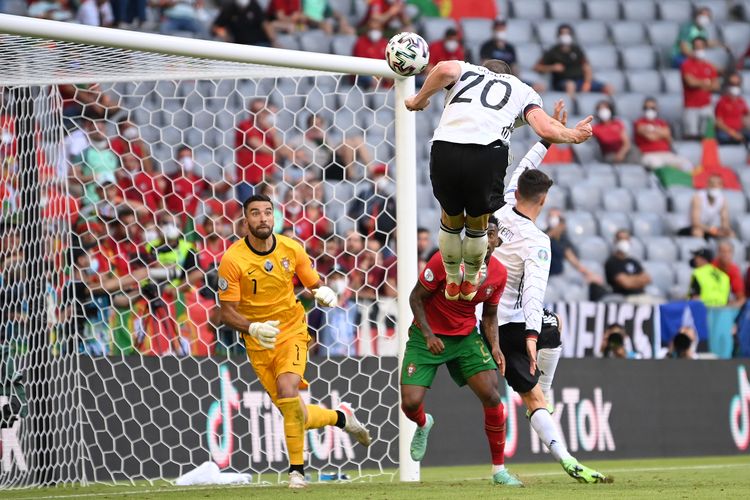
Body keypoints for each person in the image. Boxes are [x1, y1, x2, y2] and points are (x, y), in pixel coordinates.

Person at [404, 59, 593, 302]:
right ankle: (470, 278)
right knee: (477, 223)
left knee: (449, 217)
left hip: (446, 147)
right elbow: (545, 129)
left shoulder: (467, 70)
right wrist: (573, 135)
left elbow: (444, 70)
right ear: (509, 75)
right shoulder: (521, 89)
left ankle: (452, 278)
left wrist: (418, 99)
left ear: (483, 68)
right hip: (486, 153)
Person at [217, 195, 371, 489]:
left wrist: (323, 294)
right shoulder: (232, 260)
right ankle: (341, 417)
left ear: (273, 216)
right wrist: (253, 327)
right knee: (294, 411)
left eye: (267, 212)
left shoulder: (291, 248)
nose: (262, 218)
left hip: (292, 331)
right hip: (258, 341)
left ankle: (296, 472)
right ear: (245, 220)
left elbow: (314, 285)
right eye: (255, 213)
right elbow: (227, 313)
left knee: (288, 388)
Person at [494, 111, 609, 483]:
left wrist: (550, 137)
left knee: (552, 325)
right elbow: (533, 293)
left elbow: (525, 164)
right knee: (548, 327)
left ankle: (544, 401)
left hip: (483, 314)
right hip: (510, 324)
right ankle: (560, 444)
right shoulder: (538, 241)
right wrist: (531, 337)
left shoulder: (502, 204)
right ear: (542, 200)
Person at [401, 215, 523, 486]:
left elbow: (489, 314)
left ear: (496, 240)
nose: (486, 240)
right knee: (409, 403)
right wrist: (429, 333)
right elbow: (415, 297)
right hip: (427, 336)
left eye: (490, 234)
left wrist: (495, 346)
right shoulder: (445, 261)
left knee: (492, 397)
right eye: (480, 235)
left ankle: (499, 470)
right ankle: (423, 423)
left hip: (466, 337)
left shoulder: (499, 274)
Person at [533, 24, 613, 96]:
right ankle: (572, 107)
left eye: (567, 33)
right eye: (562, 34)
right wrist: (553, 67)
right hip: (563, 82)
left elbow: (586, 67)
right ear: (558, 35)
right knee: (570, 85)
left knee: (608, 87)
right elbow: (537, 67)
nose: (565, 36)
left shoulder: (576, 50)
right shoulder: (553, 52)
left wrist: (587, 83)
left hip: (580, 81)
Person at [634, 97, 693, 171]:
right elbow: (651, 137)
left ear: (657, 109)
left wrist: (651, 129)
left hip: (666, 154)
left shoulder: (662, 122)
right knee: (657, 165)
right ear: (643, 109)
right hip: (649, 155)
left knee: (686, 164)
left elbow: (668, 135)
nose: (649, 110)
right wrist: (661, 133)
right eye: (646, 108)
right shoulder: (639, 122)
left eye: (652, 108)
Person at [681, 37, 720, 140]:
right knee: (691, 136)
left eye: (701, 47)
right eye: (696, 47)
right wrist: (707, 82)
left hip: (706, 106)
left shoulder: (709, 66)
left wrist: (699, 82)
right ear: (693, 48)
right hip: (691, 107)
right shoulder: (687, 64)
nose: (699, 49)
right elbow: (691, 82)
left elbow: (716, 86)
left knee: (707, 136)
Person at [683, 174, 734, 239]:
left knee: (731, 234)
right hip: (691, 227)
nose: (714, 185)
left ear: (721, 185)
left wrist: (725, 230)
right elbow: (695, 222)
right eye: (712, 183)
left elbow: (725, 219)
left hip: (709, 228)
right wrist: (713, 230)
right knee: (698, 232)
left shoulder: (723, 199)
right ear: (707, 184)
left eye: (718, 183)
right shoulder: (698, 197)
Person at [604, 230, 652, 297]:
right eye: (621, 239)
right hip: (625, 298)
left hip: (642, 295)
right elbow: (626, 284)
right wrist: (638, 280)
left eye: (626, 239)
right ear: (615, 241)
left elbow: (647, 279)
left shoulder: (633, 261)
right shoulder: (611, 262)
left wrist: (629, 279)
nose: (624, 242)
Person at [715, 72, 750, 146]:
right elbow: (718, 123)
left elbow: (747, 116)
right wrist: (733, 133)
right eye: (732, 84)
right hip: (726, 132)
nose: (735, 87)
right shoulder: (722, 102)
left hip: (739, 130)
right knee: (723, 137)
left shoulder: (741, 101)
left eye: (737, 84)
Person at [714, 240, 745, 306]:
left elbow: (740, 295)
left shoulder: (733, 269)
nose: (725, 254)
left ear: (732, 253)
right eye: (722, 251)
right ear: (718, 253)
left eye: (728, 252)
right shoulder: (711, 267)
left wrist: (735, 304)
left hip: (725, 306)